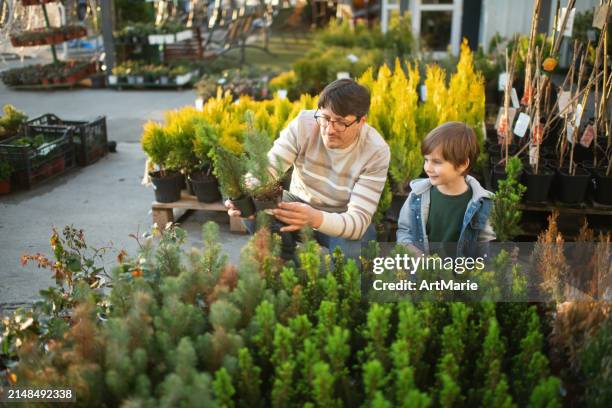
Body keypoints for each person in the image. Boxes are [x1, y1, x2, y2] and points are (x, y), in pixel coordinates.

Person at [226, 79, 390, 260]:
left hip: (342, 215)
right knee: (255, 213)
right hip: (298, 201)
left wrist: (315, 218)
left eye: (341, 122)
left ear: (361, 122)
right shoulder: (304, 124)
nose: (329, 129)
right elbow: (269, 167)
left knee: (355, 250)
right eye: (326, 118)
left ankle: (340, 287)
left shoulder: (376, 150)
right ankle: (287, 270)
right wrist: (243, 195)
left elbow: (357, 222)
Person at [397, 122, 496, 257]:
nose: (428, 168)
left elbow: (487, 248)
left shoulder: (483, 204)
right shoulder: (417, 196)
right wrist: (418, 257)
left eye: (436, 162)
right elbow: (404, 232)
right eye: (426, 160)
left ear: (462, 164)